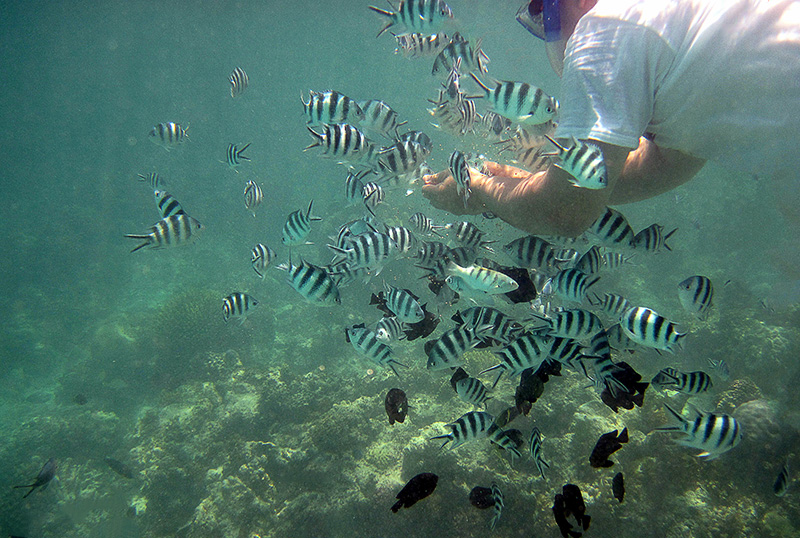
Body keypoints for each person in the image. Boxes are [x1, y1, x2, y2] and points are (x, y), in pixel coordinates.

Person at [422, 0, 800, 237]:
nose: (548, 29)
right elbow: (669, 163)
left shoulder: (605, 28)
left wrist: (480, 192)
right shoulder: (679, 19)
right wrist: (532, 181)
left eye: (545, 11)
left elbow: (564, 214)